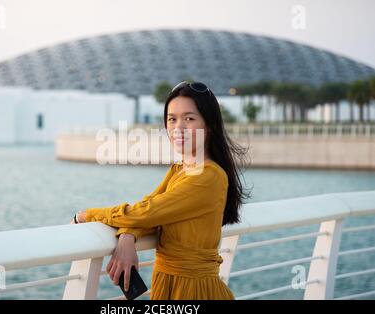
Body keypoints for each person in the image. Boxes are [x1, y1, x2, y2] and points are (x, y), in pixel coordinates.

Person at [71, 81, 249, 299]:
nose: (178, 128)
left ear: (209, 125)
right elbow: (151, 210)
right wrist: (128, 235)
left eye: (189, 119)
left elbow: (145, 212)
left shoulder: (208, 176)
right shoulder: (180, 169)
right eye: (172, 119)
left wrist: (85, 215)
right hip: (168, 285)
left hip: (195, 290)